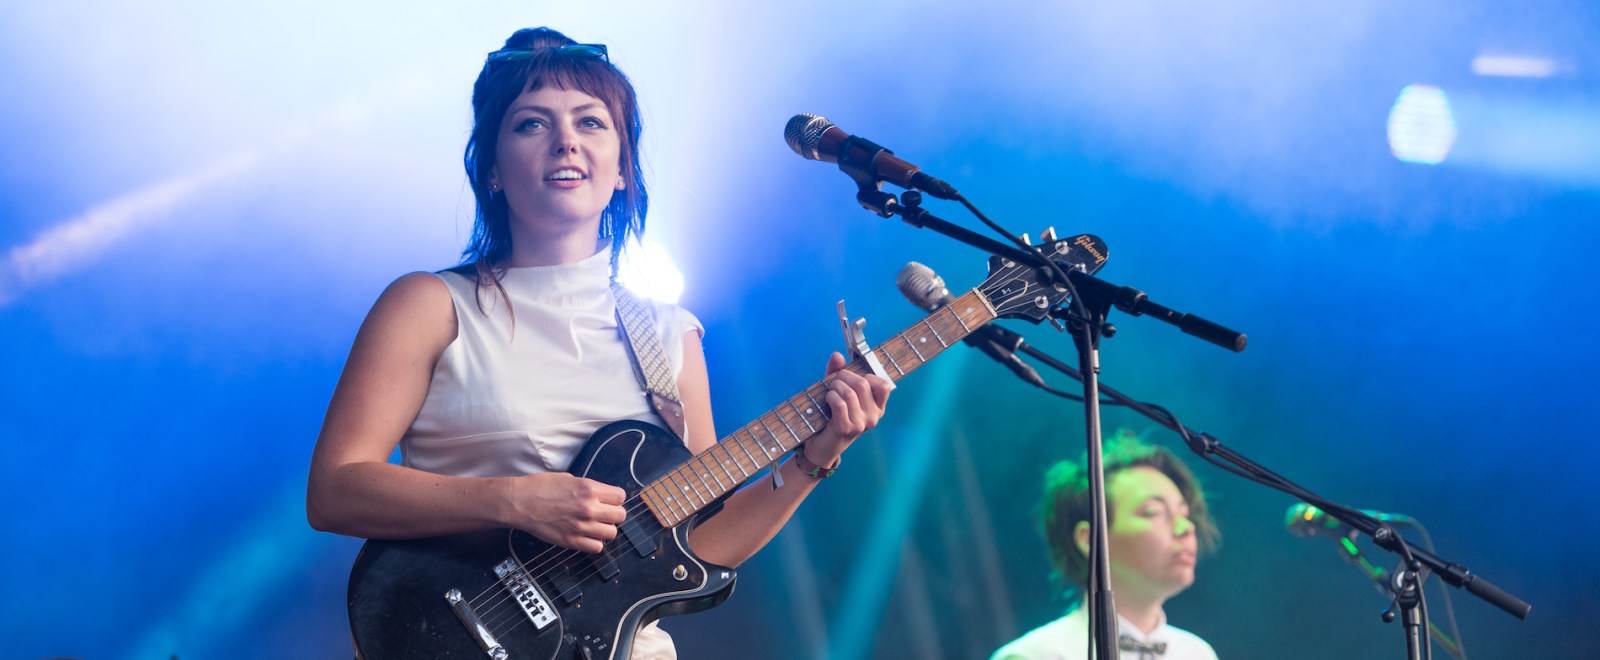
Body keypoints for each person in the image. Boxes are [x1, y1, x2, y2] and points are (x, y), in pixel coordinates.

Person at [305, 27, 892, 659]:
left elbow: (701, 542)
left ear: (622, 169)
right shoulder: (428, 304)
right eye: (532, 124)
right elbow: (334, 491)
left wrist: (817, 455)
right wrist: (515, 500)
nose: (566, 141)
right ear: (493, 170)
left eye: (591, 123)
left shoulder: (669, 333)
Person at [992, 431, 1220, 660]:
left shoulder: (1197, 653)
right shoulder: (1035, 655)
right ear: (1089, 539)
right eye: (1153, 512)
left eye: (1184, 513)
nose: (1186, 528)